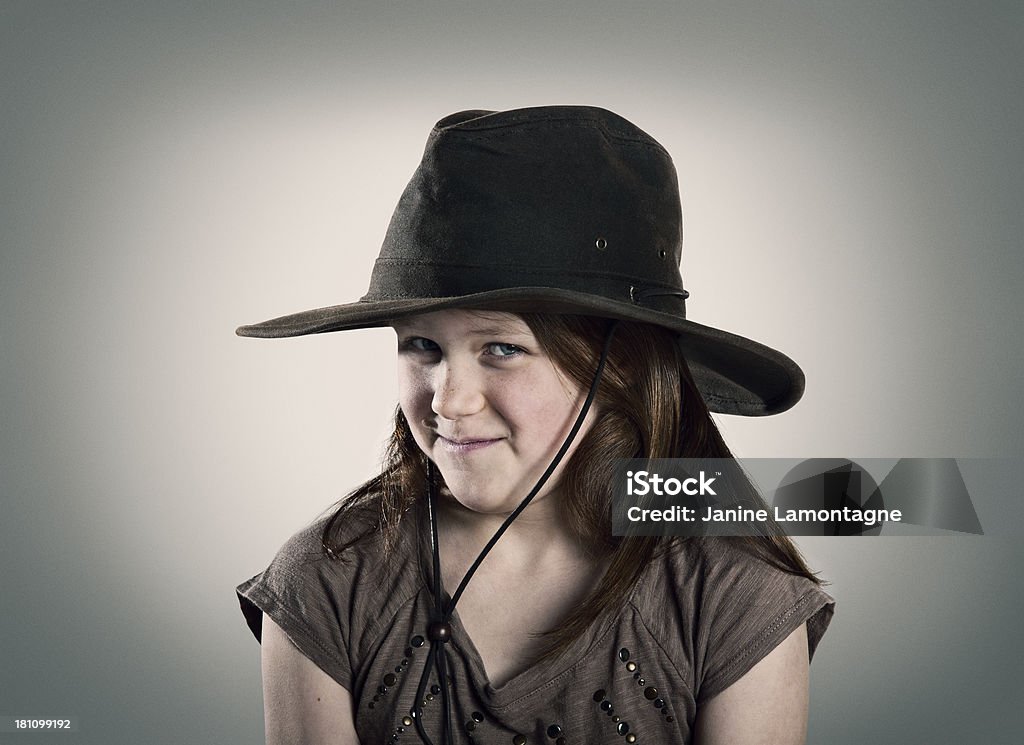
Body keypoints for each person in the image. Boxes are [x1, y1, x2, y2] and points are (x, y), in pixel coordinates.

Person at [235, 106, 834, 745]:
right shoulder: (327, 575)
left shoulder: (733, 590)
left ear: (622, 365)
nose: (449, 401)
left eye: (502, 349)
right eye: (421, 346)